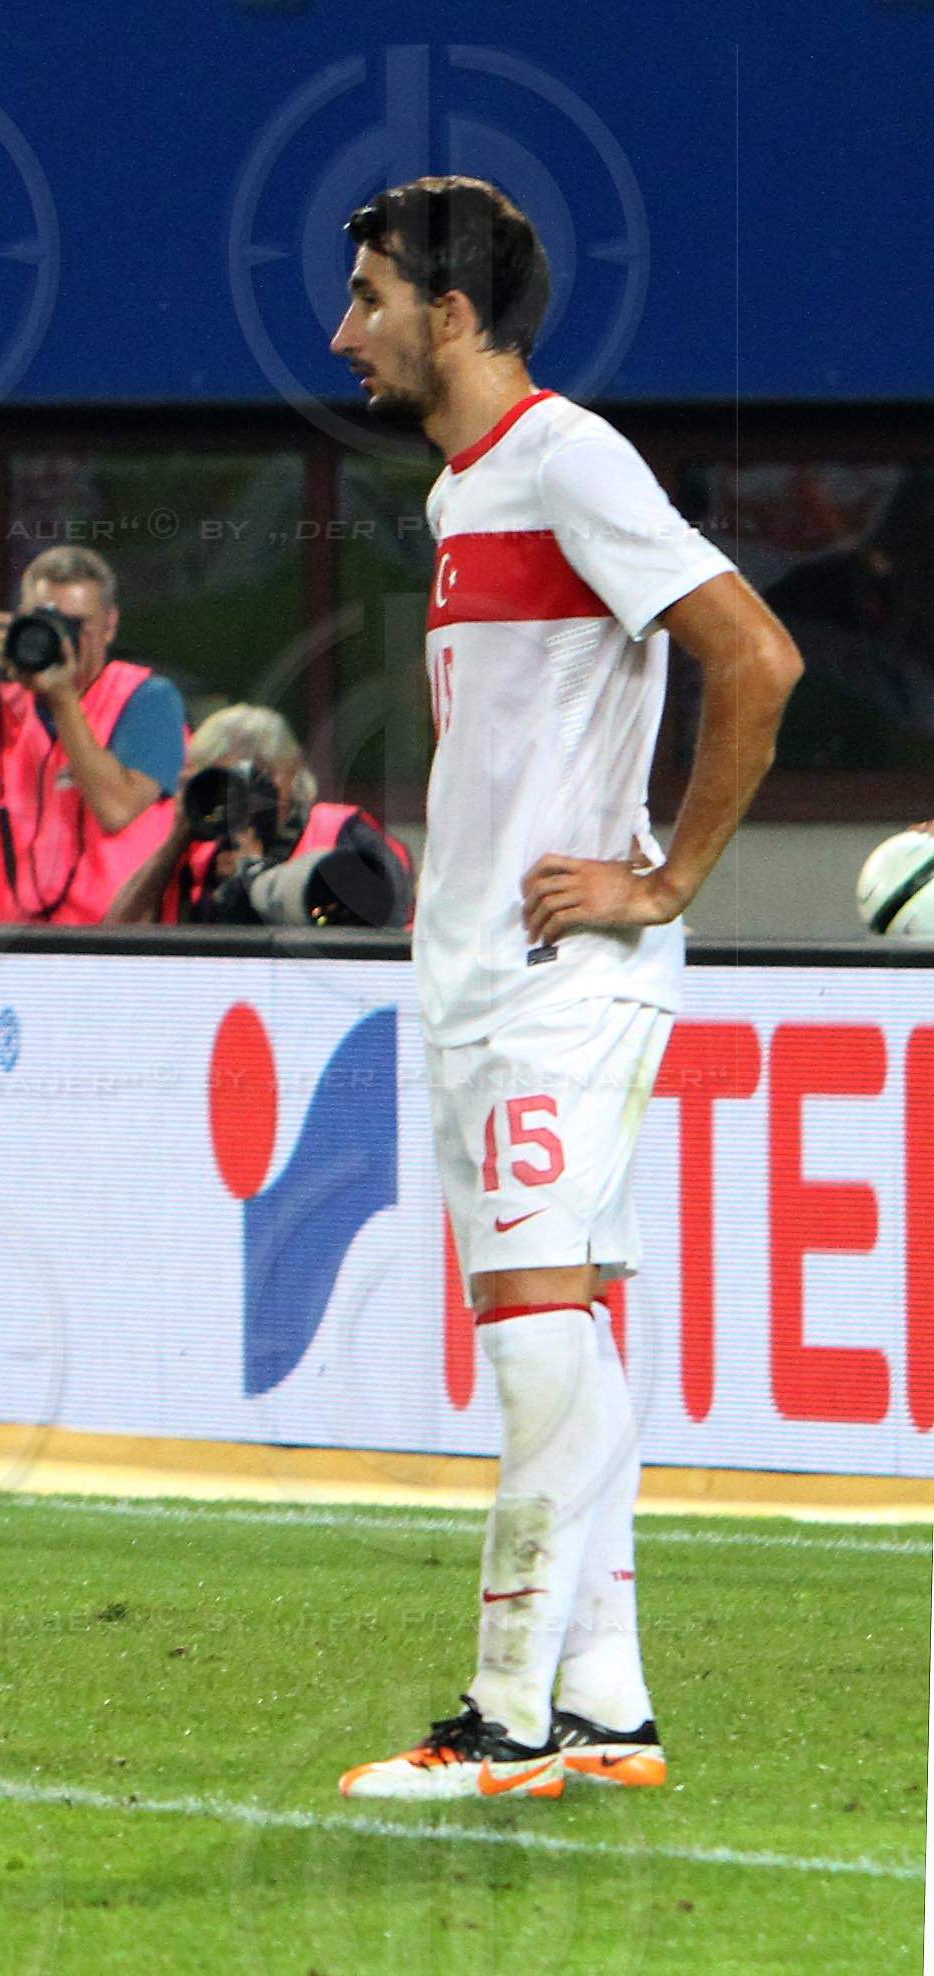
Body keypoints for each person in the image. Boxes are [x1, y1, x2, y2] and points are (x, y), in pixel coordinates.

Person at [324, 174, 800, 1800]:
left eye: (371, 297)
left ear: (452, 313)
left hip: (557, 980)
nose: (347, 332)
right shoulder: (467, 494)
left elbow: (757, 657)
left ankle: (502, 1720)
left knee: (537, 1341)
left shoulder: (568, 459)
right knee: (565, 1328)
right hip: (485, 972)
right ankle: (605, 1701)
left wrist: (660, 882)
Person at [0, 541, 186, 924]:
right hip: (6, 942)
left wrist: (62, 699)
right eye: (46, 622)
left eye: (76, 625)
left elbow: (117, 809)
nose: (61, 639)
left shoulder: (146, 698)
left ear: (110, 625)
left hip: (110, 943)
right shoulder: (2, 701)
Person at [113, 700, 417, 925]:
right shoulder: (200, 856)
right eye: (229, 782)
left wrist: (253, 873)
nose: (250, 795)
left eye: (264, 776)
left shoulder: (340, 831)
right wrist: (178, 837)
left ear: (293, 771)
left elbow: (392, 920)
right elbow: (119, 934)